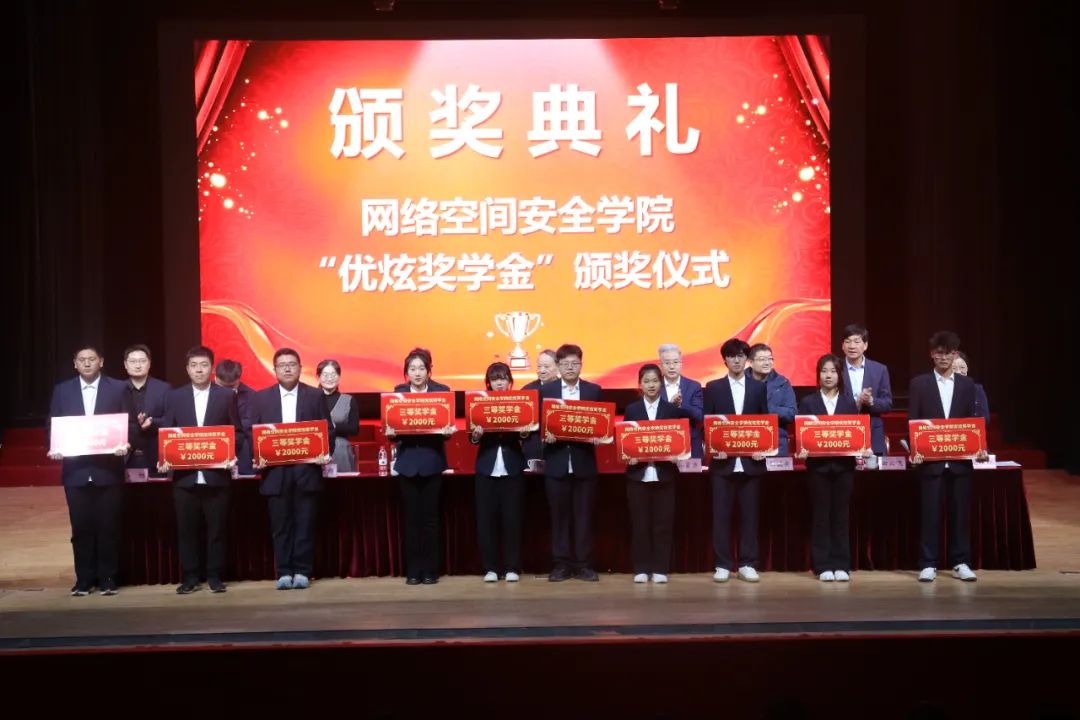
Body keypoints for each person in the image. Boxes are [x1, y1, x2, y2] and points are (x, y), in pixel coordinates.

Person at [46, 345, 130, 596]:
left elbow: (128, 422)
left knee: (108, 527)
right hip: (76, 471)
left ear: (101, 361)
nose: (86, 363)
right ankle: (84, 580)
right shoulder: (63, 390)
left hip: (108, 470)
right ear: (75, 364)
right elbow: (52, 424)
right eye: (81, 360)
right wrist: (55, 446)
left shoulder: (118, 388)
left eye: (91, 359)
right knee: (81, 527)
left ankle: (108, 578)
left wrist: (125, 443)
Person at [158, 345, 241, 594]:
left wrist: (232, 454)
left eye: (204, 365)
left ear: (211, 368)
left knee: (217, 530)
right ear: (187, 369)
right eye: (194, 365)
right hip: (184, 478)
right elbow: (167, 432)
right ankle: (191, 577)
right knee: (187, 530)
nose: (199, 370)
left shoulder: (226, 396)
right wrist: (164, 458)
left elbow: (237, 432)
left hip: (217, 476)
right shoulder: (174, 397)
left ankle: (215, 576)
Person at [909, 331, 989, 583]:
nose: (944, 357)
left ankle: (961, 562)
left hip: (959, 462)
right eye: (939, 353)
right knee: (929, 514)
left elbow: (973, 422)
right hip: (930, 462)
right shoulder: (919, 384)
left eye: (949, 353)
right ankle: (928, 563)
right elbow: (914, 420)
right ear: (932, 354)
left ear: (955, 355)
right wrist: (915, 450)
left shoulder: (967, 385)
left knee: (960, 514)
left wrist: (979, 447)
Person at [251, 348, 333, 590]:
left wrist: (322, 451)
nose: (287, 368)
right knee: (280, 527)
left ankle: (303, 571)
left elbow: (328, 430)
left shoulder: (315, 396)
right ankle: (284, 572)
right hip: (275, 474)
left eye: (292, 364)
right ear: (274, 369)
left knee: (305, 525)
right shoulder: (261, 398)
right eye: (282, 365)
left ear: (300, 368)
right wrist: (256, 457)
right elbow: (253, 432)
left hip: (306, 472)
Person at [703, 338, 769, 583]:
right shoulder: (713, 387)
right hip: (722, 464)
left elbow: (764, 422)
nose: (737, 360)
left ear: (747, 359)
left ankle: (747, 563)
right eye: (732, 356)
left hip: (751, 463)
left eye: (741, 355)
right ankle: (722, 564)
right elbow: (707, 423)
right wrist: (713, 448)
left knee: (750, 516)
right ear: (725, 361)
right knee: (721, 516)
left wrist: (763, 448)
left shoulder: (758, 388)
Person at [540, 343, 604, 581]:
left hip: (584, 464)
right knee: (559, 518)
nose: (570, 368)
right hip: (556, 463)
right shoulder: (546, 391)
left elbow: (602, 425)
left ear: (581, 365)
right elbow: (538, 426)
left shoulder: (593, 391)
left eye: (574, 363)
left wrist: (600, 435)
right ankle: (561, 565)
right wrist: (545, 436)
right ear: (558, 366)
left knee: (584, 517)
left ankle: (584, 564)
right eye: (565, 364)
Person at [389, 347, 453, 585]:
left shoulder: (441, 392)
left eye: (421, 368)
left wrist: (447, 431)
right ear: (406, 372)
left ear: (429, 371)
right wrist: (390, 432)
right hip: (407, 463)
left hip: (432, 462)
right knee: (412, 520)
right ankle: (413, 571)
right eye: (412, 369)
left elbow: (446, 432)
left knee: (430, 520)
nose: (417, 373)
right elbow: (394, 432)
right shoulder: (398, 393)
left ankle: (430, 570)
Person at [624, 363, 691, 584]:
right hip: (638, 475)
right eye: (646, 381)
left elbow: (680, 440)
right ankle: (641, 568)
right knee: (640, 524)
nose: (651, 385)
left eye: (655, 381)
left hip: (665, 474)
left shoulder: (671, 410)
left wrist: (678, 454)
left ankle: (661, 568)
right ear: (640, 385)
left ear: (661, 384)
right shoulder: (632, 410)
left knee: (663, 524)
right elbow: (625, 441)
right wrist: (628, 455)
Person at [796, 354, 860, 582]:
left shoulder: (849, 403)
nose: (828, 375)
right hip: (818, 468)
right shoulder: (808, 402)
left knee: (841, 516)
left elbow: (855, 433)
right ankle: (822, 565)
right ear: (818, 375)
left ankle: (841, 564)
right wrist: (802, 448)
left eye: (833, 371)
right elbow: (802, 433)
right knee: (821, 516)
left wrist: (861, 447)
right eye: (824, 371)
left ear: (839, 375)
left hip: (844, 468)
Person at [470, 362, 527, 583]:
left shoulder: (520, 404)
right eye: (495, 379)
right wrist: (476, 435)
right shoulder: (479, 405)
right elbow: (472, 438)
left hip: (512, 467)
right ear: (489, 383)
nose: (499, 383)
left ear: (510, 382)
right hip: (486, 468)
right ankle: (490, 568)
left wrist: (524, 432)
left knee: (513, 519)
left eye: (503, 379)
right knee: (486, 521)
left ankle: (512, 567)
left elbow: (527, 434)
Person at [839, 324, 893, 459]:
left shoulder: (879, 369)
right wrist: (855, 403)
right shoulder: (835, 369)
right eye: (848, 342)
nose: (852, 346)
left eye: (857, 342)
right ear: (842, 346)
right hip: (843, 433)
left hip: (873, 434)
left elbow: (887, 404)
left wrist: (871, 401)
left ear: (865, 345)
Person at [120, 344, 171, 473]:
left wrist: (152, 423)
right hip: (124, 457)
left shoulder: (164, 389)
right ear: (125, 364)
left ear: (149, 363)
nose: (138, 365)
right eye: (133, 361)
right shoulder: (117, 389)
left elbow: (171, 420)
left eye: (142, 361)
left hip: (156, 458)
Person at [748, 343, 797, 456]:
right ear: (750, 362)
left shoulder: (782, 383)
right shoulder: (741, 382)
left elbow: (792, 413)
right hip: (748, 441)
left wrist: (767, 409)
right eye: (762, 359)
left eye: (770, 359)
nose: (767, 363)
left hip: (776, 444)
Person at [657, 343, 704, 459]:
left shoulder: (694, 386)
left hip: (690, 447)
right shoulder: (654, 387)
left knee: (690, 472)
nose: (672, 367)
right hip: (662, 445)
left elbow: (699, 415)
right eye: (667, 363)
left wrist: (679, 406)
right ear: (660, 365)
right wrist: (670, 406)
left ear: (681, 364)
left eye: (675, 362)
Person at [214, 359, 256, 475]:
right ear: (215, 377)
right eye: (223, 387)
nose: (227, 392)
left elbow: (248, 427)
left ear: (239, 379)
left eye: (231, 387)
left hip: (242, 456)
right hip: (213, 452)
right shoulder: (204, 394)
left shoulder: (252, 396)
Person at [317, 359, 359, 473]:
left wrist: (332, 426)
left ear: (339, 377)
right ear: (318, 377)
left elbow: (354, 429)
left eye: (333, 374)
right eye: (325, 375)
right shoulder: (310, 399)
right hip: (317, 453)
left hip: (341, 451)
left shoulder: (349, 400)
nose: (329, 378)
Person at [521, 349, 558, 463]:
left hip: (559, 451)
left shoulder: (566, 389)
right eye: (539, 366)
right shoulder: (526, 390)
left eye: (546, 367)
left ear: (558, 367)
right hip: (533, 451)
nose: (542, 371)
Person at [952, 351, 991, 427]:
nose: (958, 372)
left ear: (967, 368)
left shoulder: (977, 389)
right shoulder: (941, 391)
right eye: (954, 368)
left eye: (962, 367)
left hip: (971, 431)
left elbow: (986, 419)